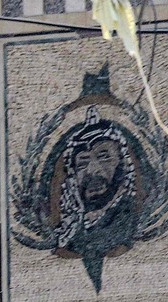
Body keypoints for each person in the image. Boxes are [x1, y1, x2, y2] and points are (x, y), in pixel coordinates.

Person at [56, 105, 140, 292]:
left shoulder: (128, 219)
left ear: (122, 163)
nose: (92, 170)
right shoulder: (71, 228)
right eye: (83, 163)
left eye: (103, 157)